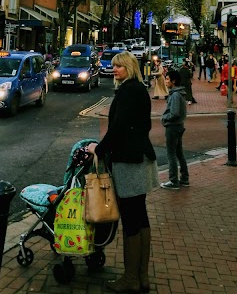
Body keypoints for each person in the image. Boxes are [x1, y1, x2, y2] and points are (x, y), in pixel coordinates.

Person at [86, 52, 157, 293]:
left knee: (130, 218)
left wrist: (100, 148)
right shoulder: (139, 90)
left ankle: (130, 279)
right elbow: (142, 125)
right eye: (114, 66)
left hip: (129, 161)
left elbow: (119, 126)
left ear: (129, 67)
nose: (114, 69)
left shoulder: (128, 91)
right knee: (140, 215)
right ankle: (142, 277)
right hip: (141, 158)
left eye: (119, 66)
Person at [160, 68, 189, 190]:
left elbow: (174, 113)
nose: (166, 81)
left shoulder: (175, 95)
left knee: (171, 154)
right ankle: (184, 179)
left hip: (173, 127)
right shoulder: (179, 93)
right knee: (179, 153)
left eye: (167, 79)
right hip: (179, 126)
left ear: (173, 81)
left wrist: (165, 118)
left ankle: (173, 181)